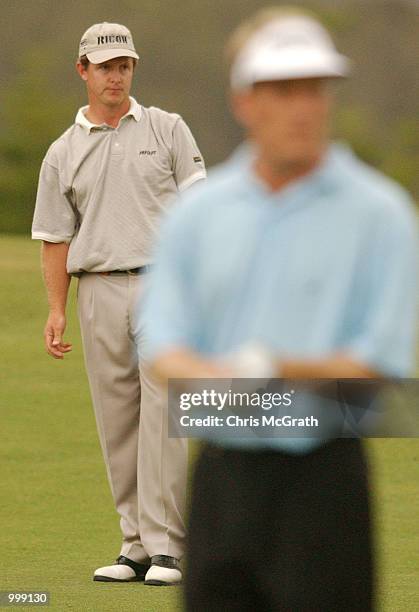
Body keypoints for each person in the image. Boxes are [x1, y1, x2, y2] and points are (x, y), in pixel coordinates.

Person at [140, 7, 418, 610]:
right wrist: (220, 379)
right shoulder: (197, 215)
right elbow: (161, 343)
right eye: (283, 90)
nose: (303, 107)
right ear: (246, 101)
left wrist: (270, 368)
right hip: (221, 479)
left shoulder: (382, 215)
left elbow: (381, 361)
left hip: (324, 482)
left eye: (315, 89)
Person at [31, 22, 206, 586]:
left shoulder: (167, 128)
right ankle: (134, 546)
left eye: (124, 65)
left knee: (164, 415)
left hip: (164, 286)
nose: (116, 75)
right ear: (83, 70)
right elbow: (55, 237)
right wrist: (56, 309)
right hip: (98, 288)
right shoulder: (62, 152)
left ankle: (168, 547)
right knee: (118, 421)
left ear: (133, 68)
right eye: (105, 66)